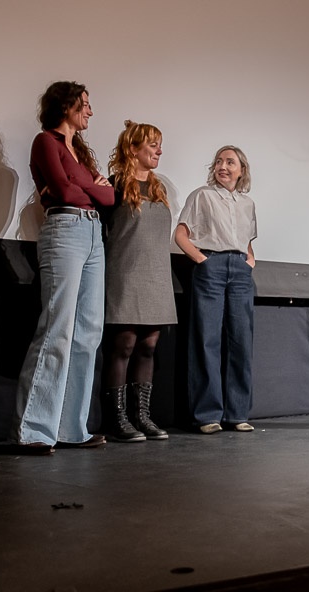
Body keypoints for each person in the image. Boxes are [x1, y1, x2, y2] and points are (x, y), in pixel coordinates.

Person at [13, 81, 113, 454]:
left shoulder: (81, 152)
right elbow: (67, 192)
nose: (89, 111)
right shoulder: (46, 142)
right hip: (65, 229)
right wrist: (87, 185)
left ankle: (72, 428)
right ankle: (35, 430)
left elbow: (109, 196)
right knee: (58, 329)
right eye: (84, 104)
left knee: (88, 334)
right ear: (65, 106)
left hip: (92, 233)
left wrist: (81, 183)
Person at [101, 121, 177, 442]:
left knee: (148, 346)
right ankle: (116, 420)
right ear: (133, 149)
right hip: (125, 272)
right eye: (152, 145)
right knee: (125, 345)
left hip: (156, 275)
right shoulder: (114, 185)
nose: (159, 150)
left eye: (159, 144)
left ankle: (141, 416)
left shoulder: (159, 189)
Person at [174, 145, 258, 434]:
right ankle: (208, 414)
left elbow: (246, 240)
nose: (223, 166)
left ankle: (238, 413)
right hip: (211, 266)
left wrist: (249, 261)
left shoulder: (248, 204)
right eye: (219, 161)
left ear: (241, 170)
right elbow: (181, 234)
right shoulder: (202, 196)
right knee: (207, 339)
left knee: (241, 341)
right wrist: (201, 260)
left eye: (230, 162)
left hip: (240, 271)